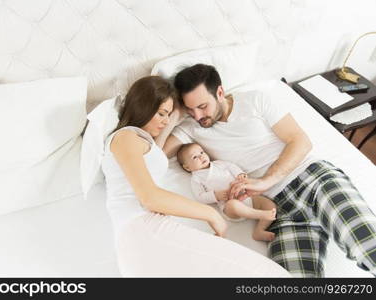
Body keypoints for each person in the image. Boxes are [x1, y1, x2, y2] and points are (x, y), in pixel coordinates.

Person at [161, 63, 376, 278]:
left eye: (202, 106)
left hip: (313, 178)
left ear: (219, 92)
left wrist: (266, 180)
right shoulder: (192, 128)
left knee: (368, 245)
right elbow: (155, 157)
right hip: (279, 212)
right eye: (190, 109)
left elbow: (300, 141)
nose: (198, 116)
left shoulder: (255, 100)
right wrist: (175, 117)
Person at [100, 75, 290, 277]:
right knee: (263, 273)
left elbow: (158, 150)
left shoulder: (146, 142)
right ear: (144, 106)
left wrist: (176, 112)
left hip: (145, 236)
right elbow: (150, 197)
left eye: (168, 115)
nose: (165, 121)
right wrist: (211, 214)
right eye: (162, 113)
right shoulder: (126, 137)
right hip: (144, 230)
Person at [177, 142, 277, 241]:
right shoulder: (196, 179)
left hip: (246, 196)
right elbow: (200, 196)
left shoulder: (219, 164)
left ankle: (259, 230)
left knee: (270, 205)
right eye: (195, 157)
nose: (201, 157)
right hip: (229, 206)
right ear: (187, 167)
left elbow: (231, 166)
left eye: (202, 152)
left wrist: (240, 174)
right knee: (233, 204)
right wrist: (216, 195)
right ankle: (259, 214)